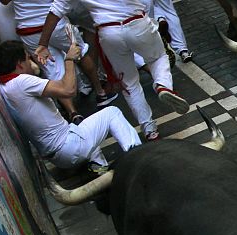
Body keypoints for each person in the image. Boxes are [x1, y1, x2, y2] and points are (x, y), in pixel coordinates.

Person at [34, 0, 189, 142]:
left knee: (129, 83)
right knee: (158, 58)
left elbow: (55, 11)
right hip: (137, 23)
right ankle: (162, 85)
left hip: (108, 32)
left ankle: (150, 130)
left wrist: (43, 44)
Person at [0, 39, 141, 172]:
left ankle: (98, 164)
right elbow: (68, 90)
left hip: (57, 153)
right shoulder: (21, 82)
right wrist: (69, 59)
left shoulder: (5, 85)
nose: (31, 60)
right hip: (68, 148)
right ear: (19, 64)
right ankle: (138, 156)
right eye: (27, 58)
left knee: (82, 126)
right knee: (112, 113)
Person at [1, 0, 117, 125]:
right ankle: (100, 93)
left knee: (53, 70)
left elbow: (4, 1)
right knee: (81, 53)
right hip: (54, 22)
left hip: (29, 29)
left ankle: (73, 112)